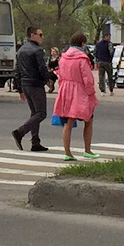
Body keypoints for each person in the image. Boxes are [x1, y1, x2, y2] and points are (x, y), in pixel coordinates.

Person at [53, 33, 100, 161]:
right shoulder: (82, 59)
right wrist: (91, 92)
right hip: (80, 91)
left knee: (68, 122)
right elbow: (87, 78)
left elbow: (61, 76)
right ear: (83, 43)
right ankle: (87, 150)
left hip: (66, 90)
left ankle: (67, 152)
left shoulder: (63, 58)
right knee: (88, 119)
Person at [11, 26, 50, 153]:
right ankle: (20, 132)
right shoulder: (37, 50)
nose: (42, 37)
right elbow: (42, 68)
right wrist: (46, 80)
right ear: (32, 35)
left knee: (35, 113)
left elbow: (17, 70)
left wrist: (19, 88)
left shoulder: (21, 50)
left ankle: (35, 142)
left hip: (25, 84)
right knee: (41, 113)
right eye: (40, 34)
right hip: (35, 84)